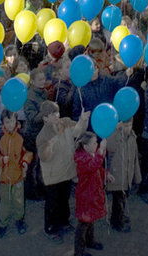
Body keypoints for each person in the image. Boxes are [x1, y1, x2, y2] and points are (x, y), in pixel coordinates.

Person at [36, 101, 89, 240]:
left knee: (64, 199)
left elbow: (78, 131)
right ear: (45, 118)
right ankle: (51, 228)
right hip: (53, 176)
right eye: (52, 114)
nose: (57, 115)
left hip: (66, 171)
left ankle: (64, 221)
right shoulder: (42, 136)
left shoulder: (65, 122)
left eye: (57, 112)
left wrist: (83, 120)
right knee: (52, 203)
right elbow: (44, 157)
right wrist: (51, 144)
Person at [0, 110, 32, 237]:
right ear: (3, 123)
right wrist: (1, 160)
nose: (10, 125)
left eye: (12, 121)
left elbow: (29, 152)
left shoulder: (22, 135)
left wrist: (25, 162)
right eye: (7, 122)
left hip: (18, 175)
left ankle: (19, 220)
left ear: (17, 121)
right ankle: (2, 224)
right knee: (4, 201)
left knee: (19, 200)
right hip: (4, 176)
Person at [73, 133, 107, 256]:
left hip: (93, 193)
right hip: (86, 196)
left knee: (90, 219)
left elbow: (99, 169)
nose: (97, 145)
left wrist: (106, 175)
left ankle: (89, 241)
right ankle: (79, 251)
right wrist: (101, 152)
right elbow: (93, 167)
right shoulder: (82, 159)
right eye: (94, 143)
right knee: (83, 223)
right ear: (86, 147)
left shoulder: (92, 154)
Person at [105, 121, 140, 233]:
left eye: (130, 125)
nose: (128, 128)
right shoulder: (114, 137)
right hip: (117, 177)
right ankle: (116, 222)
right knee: (118, 201)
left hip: (127, 176)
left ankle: (119, 217)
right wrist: (115, 130)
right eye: (125, 126)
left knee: (123, 199)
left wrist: (137, 176)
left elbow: (135, 159)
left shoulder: (132, 137)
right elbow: (109, 146)